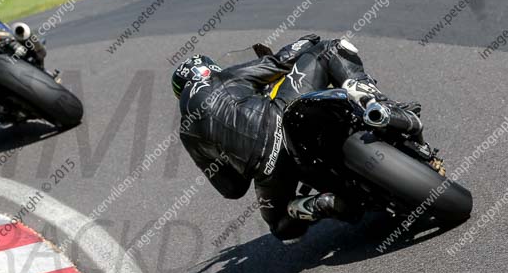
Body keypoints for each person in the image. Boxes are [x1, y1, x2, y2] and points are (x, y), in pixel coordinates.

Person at [171, 35, 421, 241]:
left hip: (269, 172)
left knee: (280, 227)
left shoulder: (187, 132)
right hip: (280, 117)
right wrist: (304, 42)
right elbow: (278, 63)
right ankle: (373, 102)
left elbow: (233, 189)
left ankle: (314, 205)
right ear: (208, 71)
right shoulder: (223, 76)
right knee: (329, 49)